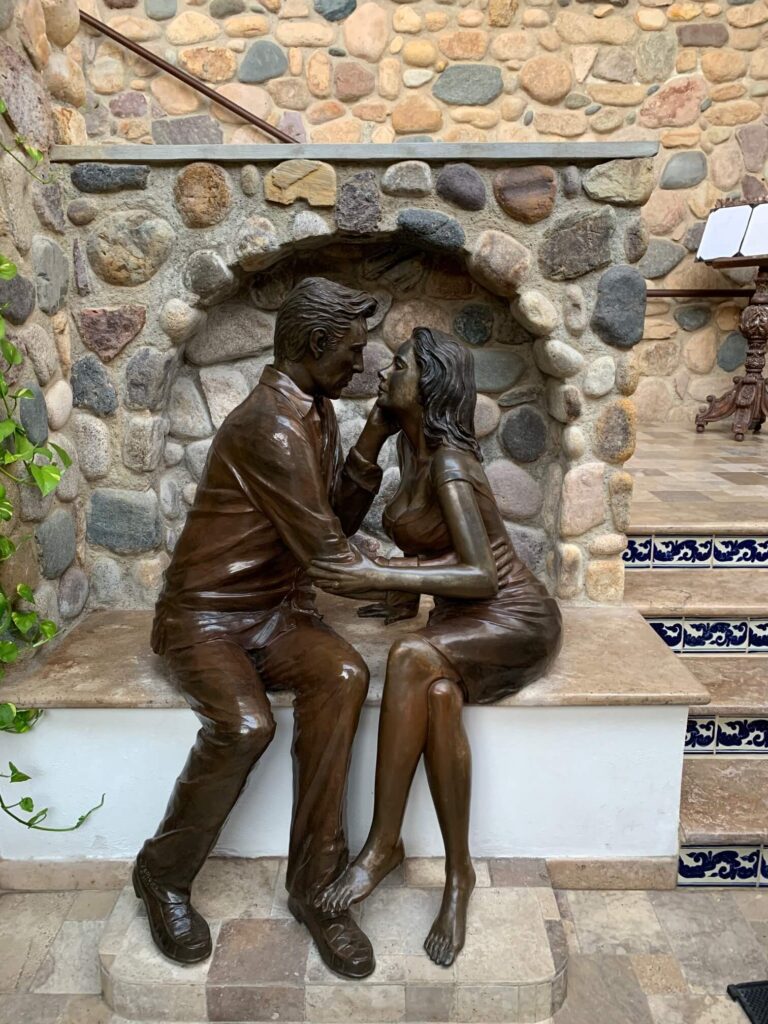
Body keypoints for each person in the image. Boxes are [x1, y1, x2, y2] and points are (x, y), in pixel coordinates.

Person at [134, 277, 399, 980]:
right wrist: (443, 582)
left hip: (277, 611)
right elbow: (332, 555)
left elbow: (332, 522)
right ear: (315, 346)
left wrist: (375, 428)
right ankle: (161, 874)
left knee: (344, 674)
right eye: (351, 351)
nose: (361, 364)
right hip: (205, 619)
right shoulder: (270, 425)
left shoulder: (315, 408)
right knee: (246, 725)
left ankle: (315, 889)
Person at [309, 327, 563, 968]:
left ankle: (382, 844)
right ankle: (459, 877)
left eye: (398, 366)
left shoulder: (450, 464)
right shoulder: (415, 450)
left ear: (431, 386)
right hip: (466, 618)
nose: (382, 371)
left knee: (410, 657)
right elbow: (346, 518)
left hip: (513, 617)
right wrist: (375, 428)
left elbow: (481, 575)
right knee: (439, 696)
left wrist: (383, 576)